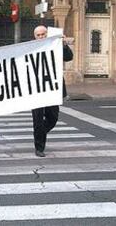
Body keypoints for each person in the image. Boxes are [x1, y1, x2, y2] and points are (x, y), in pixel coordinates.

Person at [31, 25, 73, 157]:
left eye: (43, 34)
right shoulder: (29, 48)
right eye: (39, 35)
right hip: (36, 90)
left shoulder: (56, 45)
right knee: (37, 120)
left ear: (47, 34)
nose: (41, 37)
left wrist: (64, 44)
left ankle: (40, 133)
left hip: (52, 88)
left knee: (53, 118)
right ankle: (39, 147)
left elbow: (68, 57)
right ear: (35, 37)